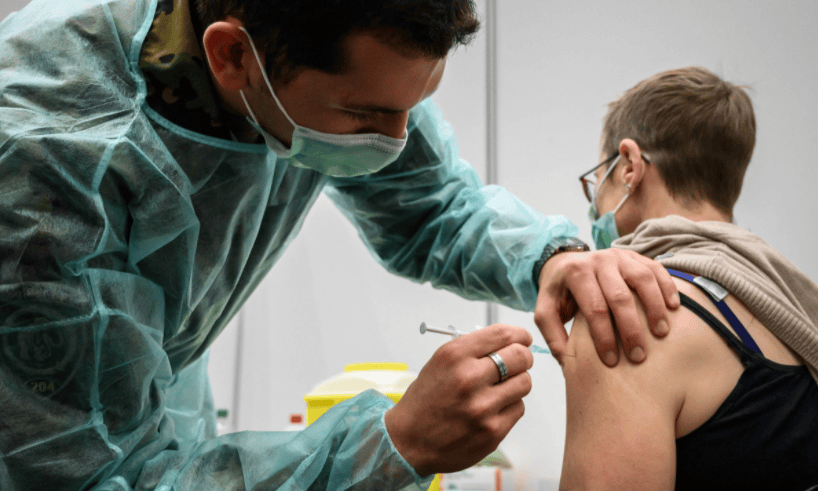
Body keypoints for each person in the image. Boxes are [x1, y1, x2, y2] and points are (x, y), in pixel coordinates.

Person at [0, 0, 682, 489]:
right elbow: (102, 475)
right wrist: (394, 444)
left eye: (414, 106)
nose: (395, 142)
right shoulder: (48, 167)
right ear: (233, 55)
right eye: (364, 115)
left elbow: (433, 205)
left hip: (168, 410)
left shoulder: (320, 59)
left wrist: (553, 258)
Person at [559, 66, 818, 490]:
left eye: (598, 180)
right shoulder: (799, 315)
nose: (595, 203)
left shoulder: (627, 312)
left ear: (629, 166)